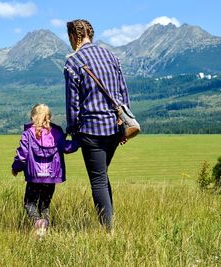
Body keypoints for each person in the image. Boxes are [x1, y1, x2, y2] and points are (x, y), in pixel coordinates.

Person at [64, 19, 130, 230]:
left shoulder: (73, 62)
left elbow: (72, 103)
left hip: (91, 130)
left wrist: (73, 131)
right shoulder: (111, 56)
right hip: (115, 126)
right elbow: (123, 93)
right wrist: (124, 125)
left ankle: (107, 230)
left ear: (74, 37)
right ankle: (110, 222)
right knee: (102, 175)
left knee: (98, 180)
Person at [11, 104, 79, 236]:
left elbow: (22, 155)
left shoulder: (28, 133)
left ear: (32, 116)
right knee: (45, 205)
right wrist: (79, 140)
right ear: (49, 117)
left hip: (34, 177)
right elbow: (68, 148)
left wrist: (15, 168)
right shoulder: (57, 133)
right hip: (51, 177)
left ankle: (37, 224)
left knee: (29, 203)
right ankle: (44, 228)